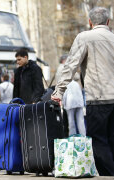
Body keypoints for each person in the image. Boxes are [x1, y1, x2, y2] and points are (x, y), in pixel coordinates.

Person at [51, 7, 114, 176]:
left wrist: (59, 92)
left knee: (99, 142)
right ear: (108, 22)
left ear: (90, 22)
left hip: (98, 98)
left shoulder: (85, 37)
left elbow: (70, 65)